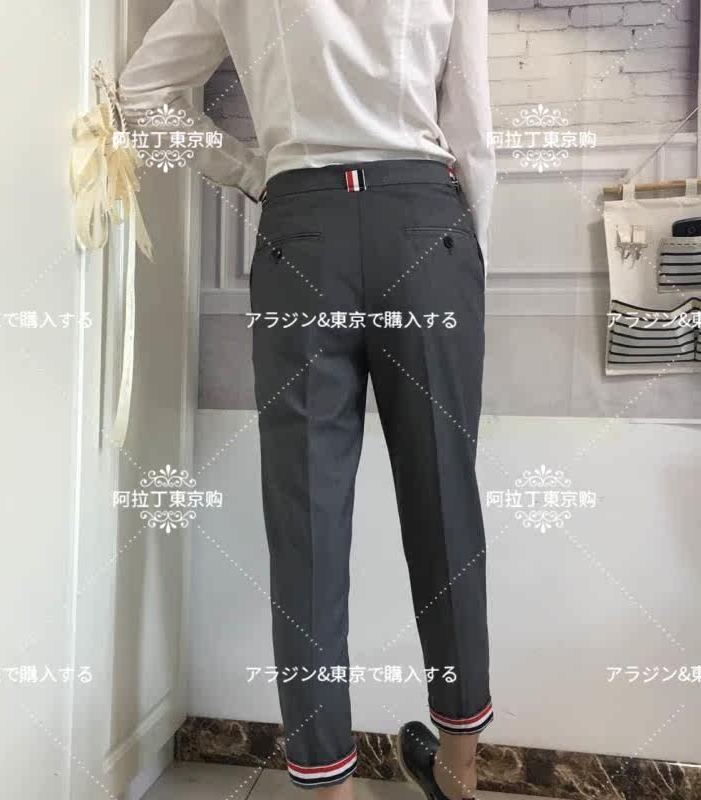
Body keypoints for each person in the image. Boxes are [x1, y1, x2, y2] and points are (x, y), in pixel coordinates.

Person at [118, 2, 495, 798]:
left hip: (302, 230)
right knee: (445, 501)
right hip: (424, 221)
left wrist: (251, 170)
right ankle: (459, 772)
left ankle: (330, 787)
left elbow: (143, 93)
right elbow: (472, 124)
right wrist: (466, 250)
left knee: (307, 523)